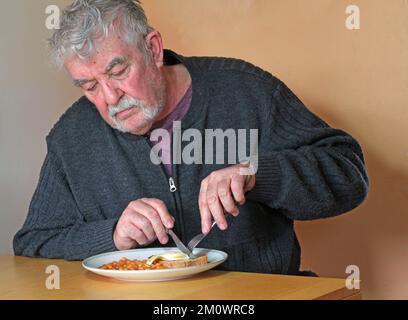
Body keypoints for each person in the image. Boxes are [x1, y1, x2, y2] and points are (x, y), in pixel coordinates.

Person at [13, 0, 369, 276]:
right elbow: (33, 242)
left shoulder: (246, 90)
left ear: (152, 48)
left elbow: (349, 175)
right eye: (89, 86)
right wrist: (111, 237)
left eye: (117, 70)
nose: (109, 98)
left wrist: (258, 174)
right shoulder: (71, 137)